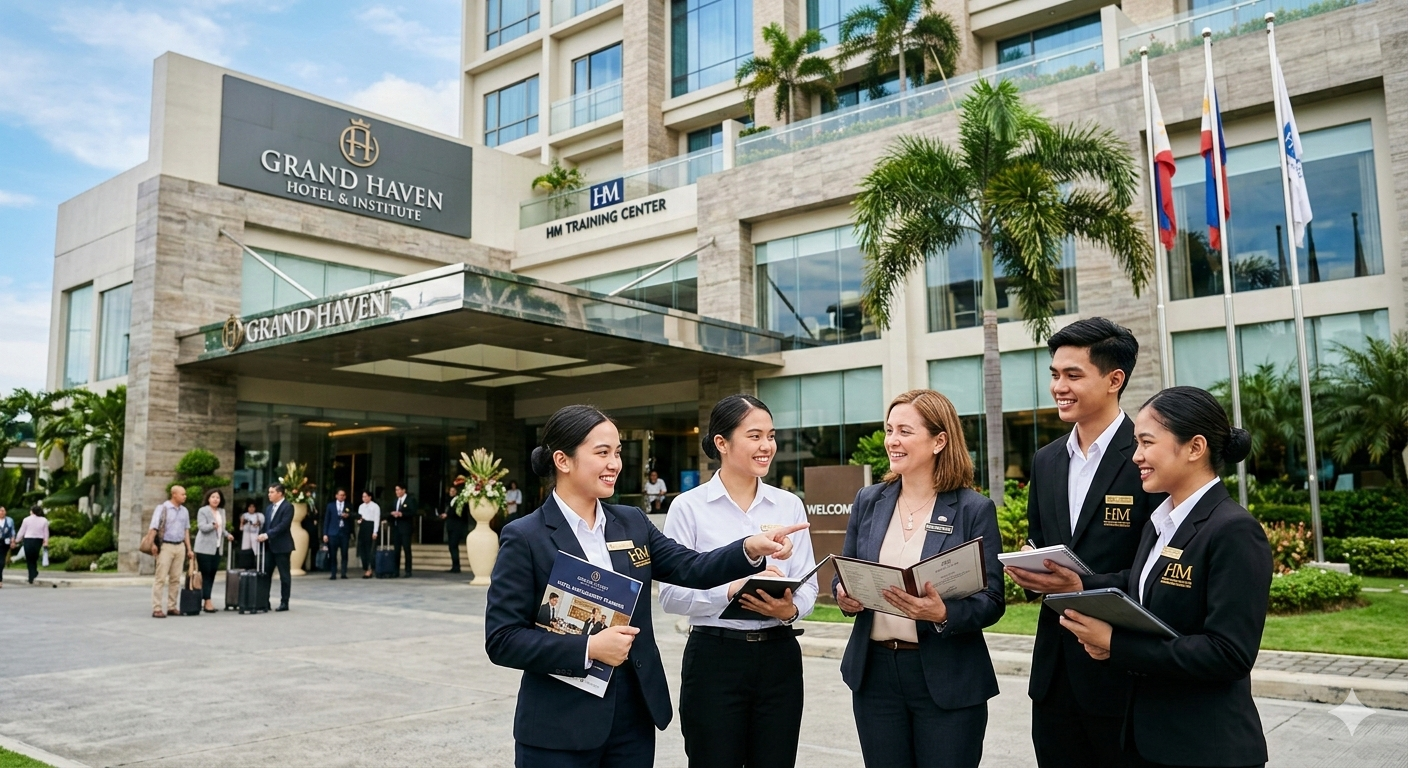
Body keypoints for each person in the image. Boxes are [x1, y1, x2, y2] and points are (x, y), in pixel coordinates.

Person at [484, 404, 808, 768]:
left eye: (618, 452)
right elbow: (502, 639)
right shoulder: (525, 537)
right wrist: (589, 647)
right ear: (563, 460)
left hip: (631, 720)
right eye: (602, 453)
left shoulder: (631, 523)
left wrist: (748, 548)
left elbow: (691, 566)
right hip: (560, 726)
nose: (615, 464)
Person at [1060, 387, 1271, 768]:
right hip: (1147, 742)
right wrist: (1075, 586)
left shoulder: (1234, 531)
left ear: (1195, 448)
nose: (1136, 456)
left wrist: (1115, 644)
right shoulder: (1162, 523)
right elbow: (1141, 585)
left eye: (1146, 442)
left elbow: (1228, 654)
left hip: (1205, 748)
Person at [1003, 317, 1162, 768]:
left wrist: (1082, 585)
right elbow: (1041, 541)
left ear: (1115, 380)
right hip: (1054, 678)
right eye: (1055, 374)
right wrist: (1030, 569)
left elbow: (1158, 571)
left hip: (1122, 671)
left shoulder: (1148, 457)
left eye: (1073, 375)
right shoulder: (1047, 459)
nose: (1059, 387)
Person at [833, 389, 1005, 768]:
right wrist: (844, 594)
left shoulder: (974, 509)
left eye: (905, 431)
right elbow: (846, 572)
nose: (892, 440)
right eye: (889, 429)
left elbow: (992, 601)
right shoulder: (868, 500)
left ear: (939, 440)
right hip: (875, 676)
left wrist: (942, 613)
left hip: (947, 678)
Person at [660, 393, 818, 768]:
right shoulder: (689, 507)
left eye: (771, 435)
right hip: (715, 658)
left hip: (779, 657)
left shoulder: (788, 505)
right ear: (722, 443)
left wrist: (791, 608)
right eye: (755, 436)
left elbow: (809, 582)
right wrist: (730, 589)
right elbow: (671, 595)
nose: (767, 446)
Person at [149, 488, 193, 616]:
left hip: (180, 546)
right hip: (165, 546)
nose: (185, 496)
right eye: (182, 494)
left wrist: (189, 549)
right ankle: (157, 608)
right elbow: (153, 527)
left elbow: (186, 531)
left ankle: (171, 606)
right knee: (160, 578)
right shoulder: (162, 508)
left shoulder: (185, 511)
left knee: (175, 578)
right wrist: (152, 543)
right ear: (174, 495)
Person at [194, 490, 235, 613]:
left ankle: (206, 599)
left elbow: (221, 529)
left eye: (218, 497)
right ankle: (207, 601)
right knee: (206, 574)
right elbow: (201, 527)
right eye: (213, 497)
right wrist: (212, 525)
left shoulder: (221, 511)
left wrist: (228, 535)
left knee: (211, 575)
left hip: (217, 547)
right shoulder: (203, 511)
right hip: (204, 548)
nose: (215, 499)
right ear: (208, 499)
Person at [257, 483, 295, 611]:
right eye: (269, 492)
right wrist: (261, 534)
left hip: (282, 546)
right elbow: (267, 525)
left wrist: (267, 534)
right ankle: (264, 601)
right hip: (269, 546)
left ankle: (284, 602)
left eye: (272, 492)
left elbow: (283, 525)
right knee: (266, 574)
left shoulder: (288, 507)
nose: (269, 494)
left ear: (280, 493)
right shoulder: (269, 508)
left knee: (284, 576)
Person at [322, 488, 353, 580]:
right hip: (333, 532)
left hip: (344, 532)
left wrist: (348, 516)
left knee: (344, 553)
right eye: (340, 495)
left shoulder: (348, 505)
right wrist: (325, 534)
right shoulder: (330, 506)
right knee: (332, 554)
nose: (342, 496)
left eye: (343, 495)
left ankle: (343, 573)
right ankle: (333, 573)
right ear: (336, 496)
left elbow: (353, 517)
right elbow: (327, 520)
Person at [389, 482, 417, 578]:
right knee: (397, 550)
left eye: (398, 489)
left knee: (406, 549)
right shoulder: (395, 500)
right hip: (396, 528)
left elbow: (413, 512)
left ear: (404, 490)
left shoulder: (410, 500)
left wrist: (402, 514)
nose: (397, 492)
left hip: (405, 528)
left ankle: (408, 570)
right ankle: (395, 571)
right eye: (396, 490)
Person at [440, 485, 468, 573]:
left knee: (453, 545)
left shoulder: (459, 500)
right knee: (452, 546)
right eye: (450, 491)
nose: (451, 492)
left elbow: (458, 512)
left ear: (456, 491)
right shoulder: (450, 501)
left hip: (457, 526)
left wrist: (447, 515)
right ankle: (454, 566)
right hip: (451, 526)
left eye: (453, 491)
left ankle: (456, 566)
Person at [357, 489, 381, 578]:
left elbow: (376, 520)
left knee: (369, 550)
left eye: (366, 496)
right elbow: (360, 517)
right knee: (362, 549)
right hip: (363, 527)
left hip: (370, 527)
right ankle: (365, 568)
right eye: (363, 496)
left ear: (370, 497)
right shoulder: (361, 506)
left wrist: (375, 531)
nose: (364, 498)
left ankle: (370, 569)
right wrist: (359, 521)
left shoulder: (375, 507)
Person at [239, 500, 264, 569]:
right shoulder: (244, 515)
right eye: (250, 507)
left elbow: (262, 526)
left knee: (256, 552)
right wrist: (242, 522)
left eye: (253, 507)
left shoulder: (259, 515)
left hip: (255, 535)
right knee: (247, 552)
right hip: (246, 536)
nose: (251, 508)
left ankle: (257, 566)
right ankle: (247, 567)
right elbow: (241, 528)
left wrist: (257, 524)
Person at [0, 506, 13, 588]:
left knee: (1, 562)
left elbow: (12, 531)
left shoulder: (9, 520)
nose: (1, 512)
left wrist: (13, 540)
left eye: (3, 510)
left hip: (5, 542)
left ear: (5, 512)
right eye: (0, 511)